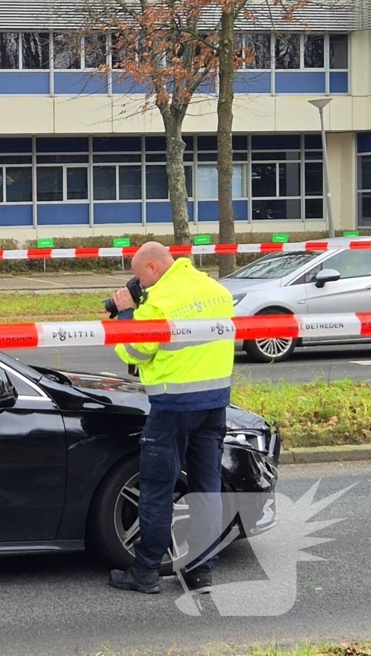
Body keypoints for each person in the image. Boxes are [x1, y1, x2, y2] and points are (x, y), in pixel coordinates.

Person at [107, 241, 235, 595]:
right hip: (214, 404)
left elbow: (134, 349)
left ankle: (145, 571)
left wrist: (126, 312)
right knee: (206, 488)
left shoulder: (160, 303)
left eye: (139, 278)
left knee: (157, 489)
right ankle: (201, 572)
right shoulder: (217, 290)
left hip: (172, 407)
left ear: (151, 267)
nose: (141, 286)